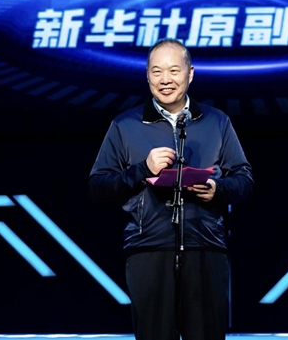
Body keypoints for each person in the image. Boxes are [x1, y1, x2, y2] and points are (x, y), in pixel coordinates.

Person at [89, 38, 254, 340]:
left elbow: (244, 179)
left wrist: (217, 189)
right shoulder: (125, 125)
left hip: (205, 247)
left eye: (174, 71)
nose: (165, 80)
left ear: (190, 73)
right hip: (148, 249)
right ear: (147, 76)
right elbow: (98, 186)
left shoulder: (217, 122)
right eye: (157, 72)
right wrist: (142, 169)